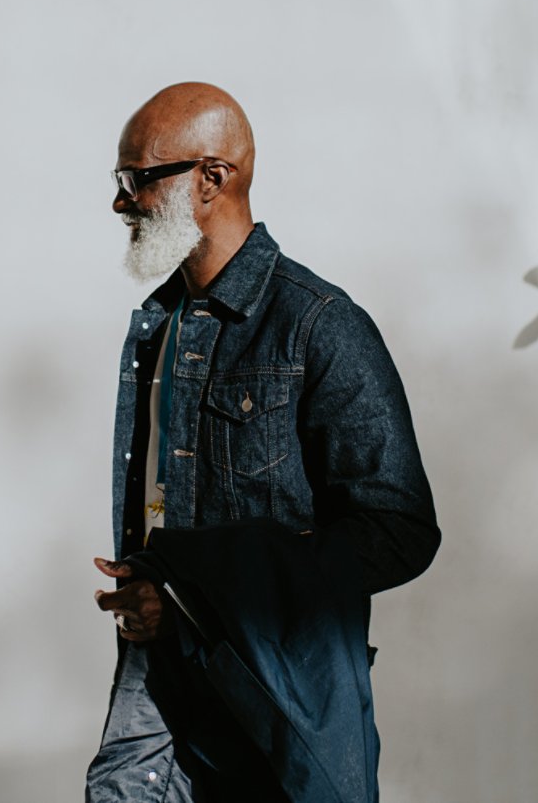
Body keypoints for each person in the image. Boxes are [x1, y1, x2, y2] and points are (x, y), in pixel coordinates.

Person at [86, 84, 440, 802]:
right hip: (155, 686)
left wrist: (191, 589)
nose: (120, 203)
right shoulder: (157, 329)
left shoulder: (320, 326)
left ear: (212, 179)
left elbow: (397, 531)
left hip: (276, 698)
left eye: (136, 179)